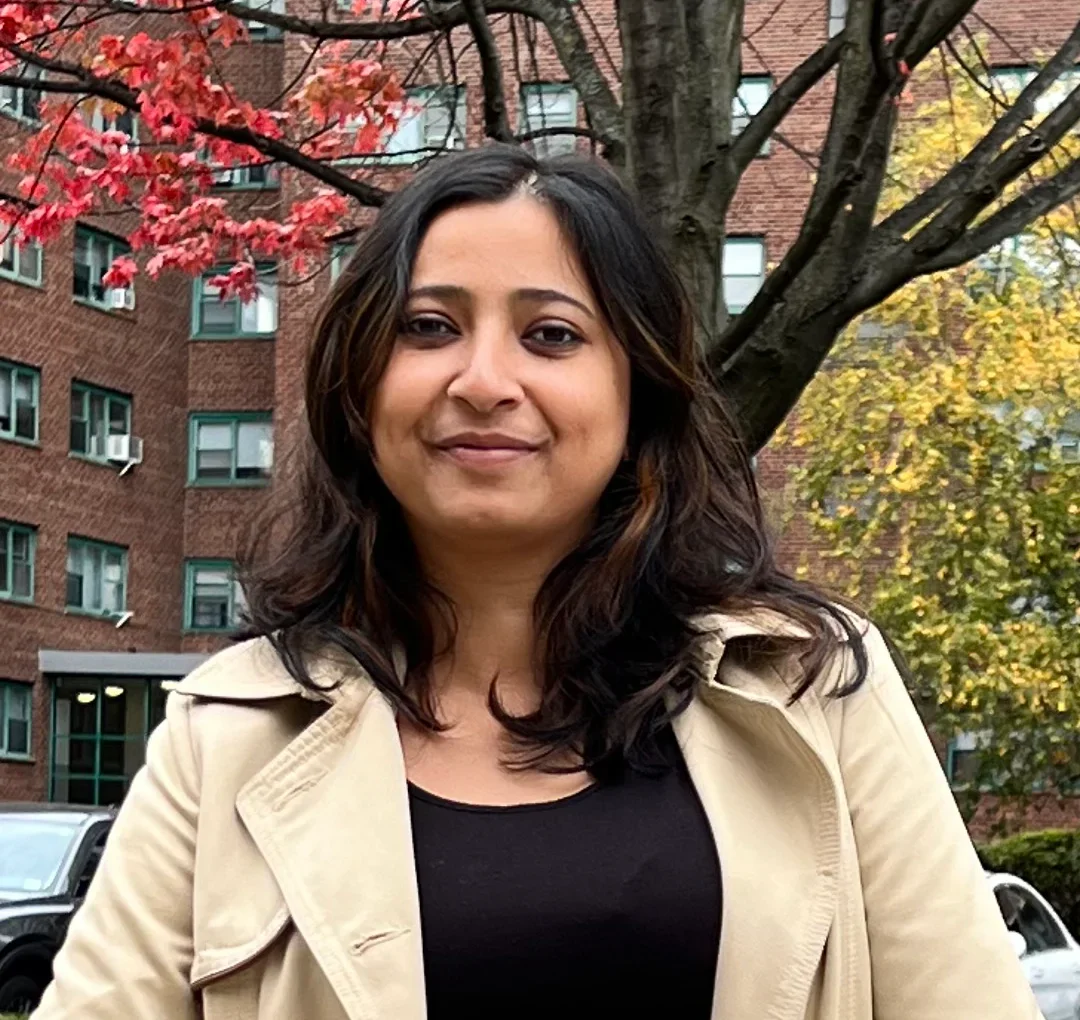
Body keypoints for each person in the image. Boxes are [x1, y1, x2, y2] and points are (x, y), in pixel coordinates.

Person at [32, 145, 1040, 1020]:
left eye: (551, 335)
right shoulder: (230, 736)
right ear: (361, 388)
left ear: (636, 393)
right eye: (429, 328)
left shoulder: (816, 689)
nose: (481, 379)